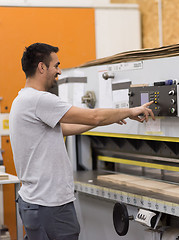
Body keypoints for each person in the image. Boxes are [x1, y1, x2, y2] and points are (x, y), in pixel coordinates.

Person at [9, 43, 155, 240]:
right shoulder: (40, 100)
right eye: (56, 65)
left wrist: (106, 118)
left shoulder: (22, 99)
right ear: (42, 67)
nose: (59, 71)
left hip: (37, 202)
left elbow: (65, 128)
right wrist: (129, 111)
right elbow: (93, 116)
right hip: (49, 206)